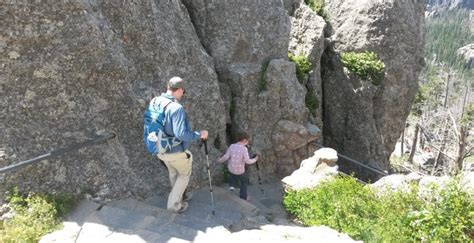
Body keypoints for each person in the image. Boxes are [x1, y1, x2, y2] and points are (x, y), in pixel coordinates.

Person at [154, 77, 208, 213]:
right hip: (175, 151)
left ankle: (179, 196)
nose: (182, 95)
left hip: (159, 149)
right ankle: (174, 205)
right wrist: (199, 134)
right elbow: (181, 134)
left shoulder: (156, 102)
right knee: (184, 175)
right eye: (183, 92)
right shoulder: (176, 108)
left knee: (173, 173)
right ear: (179, 90)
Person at [217, 132, 259, 200]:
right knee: (244, 182)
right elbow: (247, 161)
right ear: (244, 140)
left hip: (231, 169)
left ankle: (231, 186)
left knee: (232, 176)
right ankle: (243, 196)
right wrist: (255, 159)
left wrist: (219, 160)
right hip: (240, 171)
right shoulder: (244, 149)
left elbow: (226, 156)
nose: (248, 142)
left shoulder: (232, 146)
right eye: (248, 141)